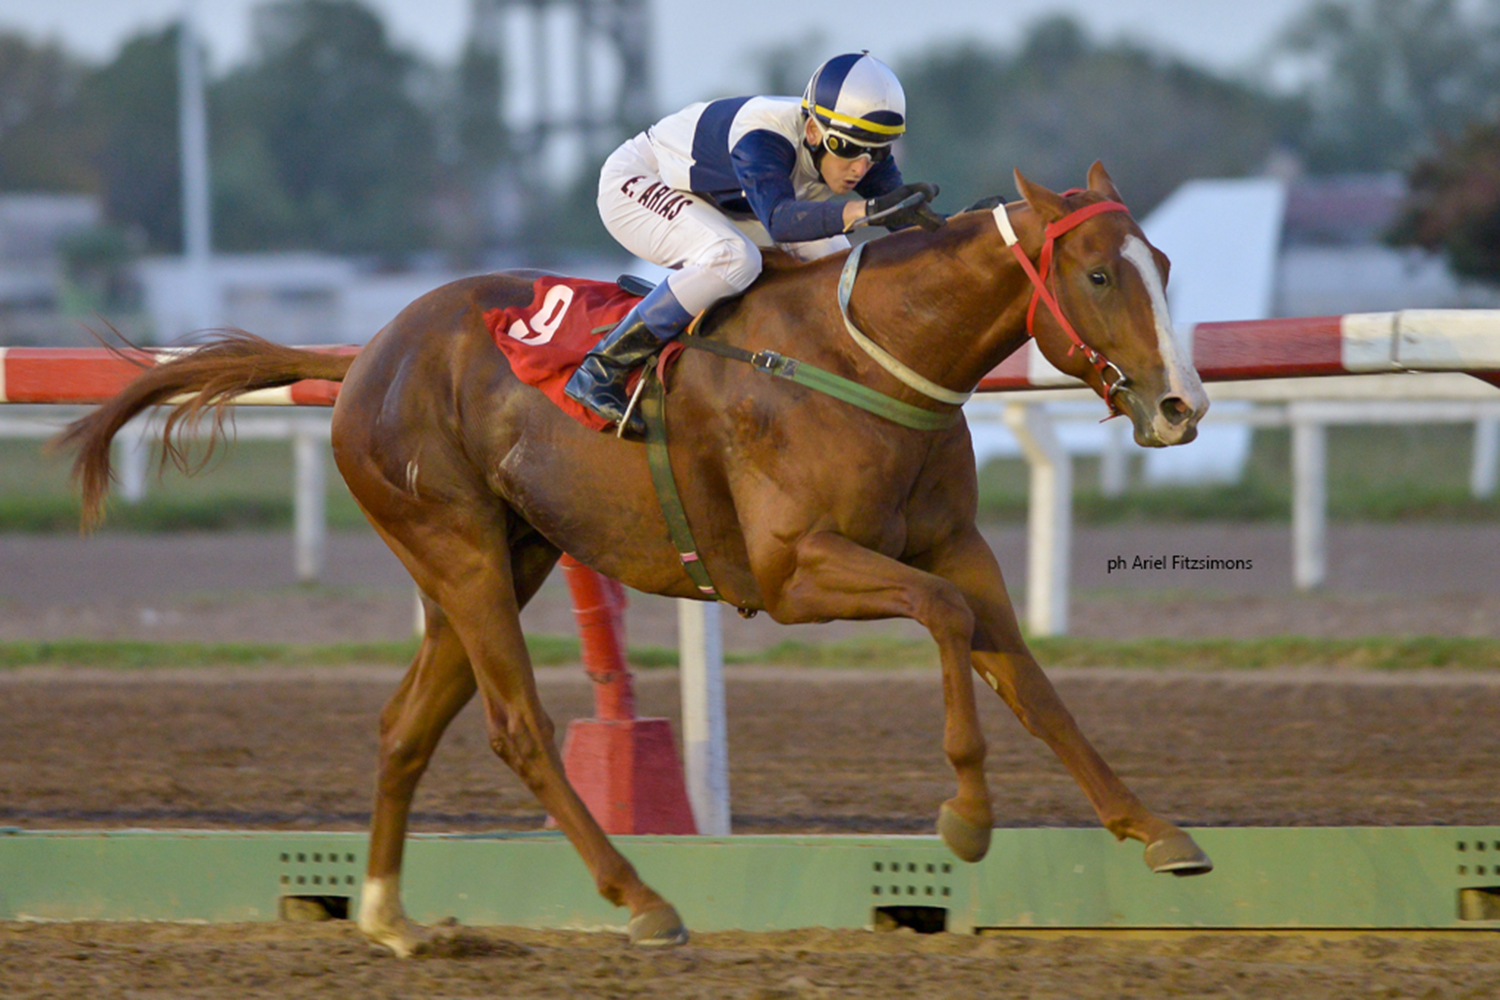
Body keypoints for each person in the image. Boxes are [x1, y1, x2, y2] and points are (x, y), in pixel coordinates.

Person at [565, 51, 942, 432]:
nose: (861, 167)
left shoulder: (855, 146)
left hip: (721, 200)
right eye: (846, 149)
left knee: (837, 263)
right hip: (640, 180)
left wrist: (965, 227)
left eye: (877, 151)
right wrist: (866, 210)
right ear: (813, 131)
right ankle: (602, 367)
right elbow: (781, 222)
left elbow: (910, 227)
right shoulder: (762, 137)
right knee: (734, 259)